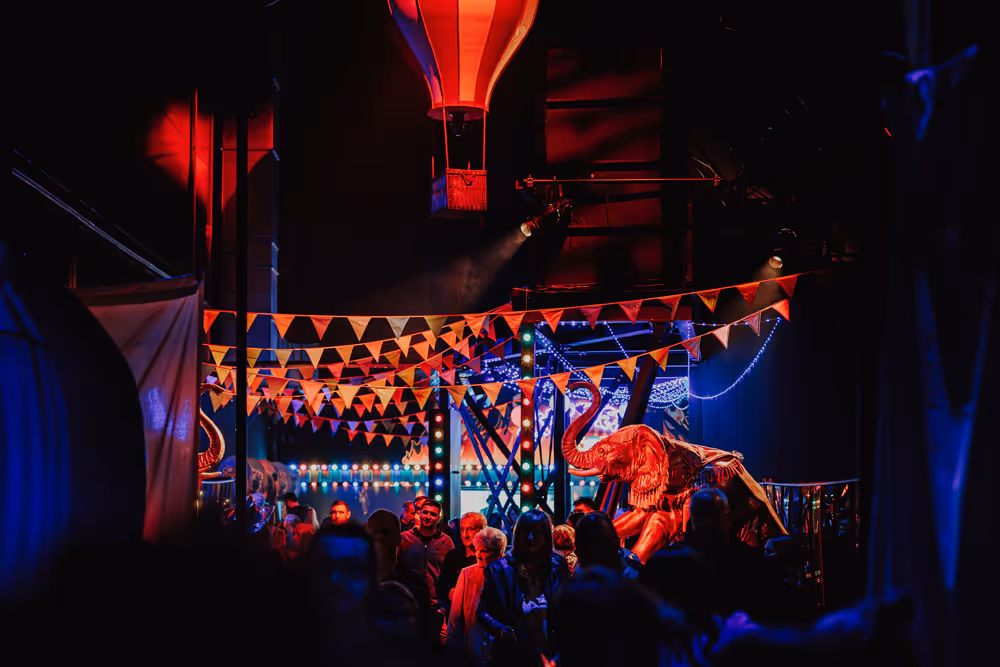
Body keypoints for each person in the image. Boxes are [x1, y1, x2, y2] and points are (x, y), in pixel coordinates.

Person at [477, 509, 570, 667]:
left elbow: (568, 611)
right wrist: (501, 630)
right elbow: (482, 611)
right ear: (518, 534)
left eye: (537, 533)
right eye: (526, 533)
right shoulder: (499, 570)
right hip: (511, 655)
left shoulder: (557, 567)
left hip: (550, 655)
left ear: (546, 536)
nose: (530, 538)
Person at [365, 509, 437, 643]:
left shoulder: (415, 583)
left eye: (386, 532)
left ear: (398, 538)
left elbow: (424, 633)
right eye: (375, 532)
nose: (380, 537)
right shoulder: (358, 582)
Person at [447, 527, 508, 665]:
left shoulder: (509, 574)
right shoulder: (467, 574)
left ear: (499, 553)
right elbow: (455, 617)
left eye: (484, 551)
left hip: (501, 650)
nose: (478, 555)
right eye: (477, 550)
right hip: (473, 650)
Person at [400, 499, 456, 604]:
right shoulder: (405, 538)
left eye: (433, 514)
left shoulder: (446, 541)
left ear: (438, 519)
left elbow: (453, 573)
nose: (428, 517)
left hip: (436, 601)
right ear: (419, 514)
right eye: (425, 512)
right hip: (409, 599)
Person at [437, 512, 487, 604]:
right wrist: (450, 592)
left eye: (470, 529)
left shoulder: (491, 556)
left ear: (482, 530)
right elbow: (441, 588)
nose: (465, 535)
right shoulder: (453, 557)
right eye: (462, 530)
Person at [573, 512, 642, 578]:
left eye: (600, 543)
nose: (594, 551)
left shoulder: (573, 584)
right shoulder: (634, 575)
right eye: (586, 546)